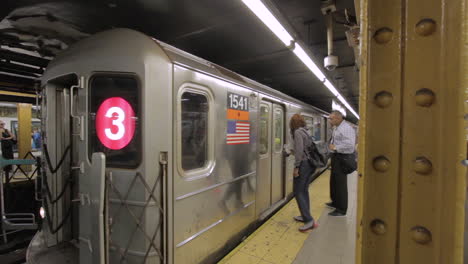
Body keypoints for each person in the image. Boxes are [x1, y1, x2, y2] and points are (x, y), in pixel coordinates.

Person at [290, 114, 318, 232]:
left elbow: (300, 151)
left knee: (298, 191)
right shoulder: (306, 131)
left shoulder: (297, 132)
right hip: (310, 164)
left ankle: (309, 220)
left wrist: (296, 167)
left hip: (303, 165)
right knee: (304, 190)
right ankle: (305, 215)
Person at [327, 110, 357, 216]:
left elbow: (350, 145)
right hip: (337, 156)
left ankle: (341, 209)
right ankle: (335, 202)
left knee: (340, 184)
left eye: (331, 118)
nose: (329, 120)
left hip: (342, 157)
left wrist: (335, 147)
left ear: (338, 118)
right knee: (334, 181)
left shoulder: (346, 128)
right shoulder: (337, 127)